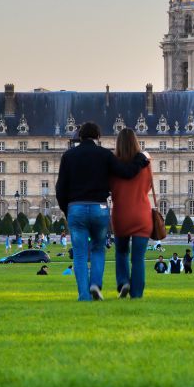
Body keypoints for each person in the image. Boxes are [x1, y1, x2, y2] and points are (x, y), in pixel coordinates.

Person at [55, 121, 148, 301]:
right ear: (98, 137)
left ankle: (84, 295)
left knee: (80, 255)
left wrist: (67, 210)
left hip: (76, 207)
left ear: (80, 137)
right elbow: (127, 172)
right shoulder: (105, 155)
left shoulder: (68, 156)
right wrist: (140, 159)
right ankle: (95, 284)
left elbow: (60, 190)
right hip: (99, 208)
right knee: (98, 249)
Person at [109, 128, 154, 300]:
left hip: (121, 214)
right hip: (142, 214)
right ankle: (136, 294)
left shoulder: (113, 165)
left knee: (121, 253)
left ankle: (123, 282)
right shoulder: (146, 163)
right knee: (138, 259)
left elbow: (110, 187)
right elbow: (149, 187)